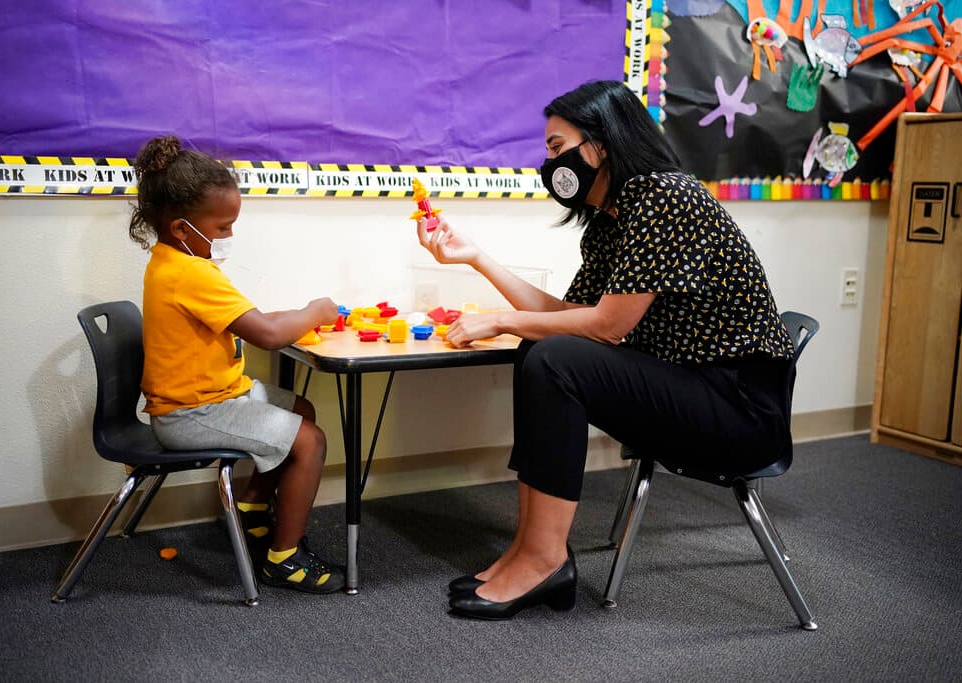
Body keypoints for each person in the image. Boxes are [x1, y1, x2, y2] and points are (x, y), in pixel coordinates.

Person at [415, 80, 796, 620]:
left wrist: (499, 318)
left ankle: (544, 558)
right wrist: (476, 259)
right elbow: (567, 315)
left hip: (737, 411)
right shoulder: (611, 221)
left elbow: (608, 327)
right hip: (686, 388)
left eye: (556, 147)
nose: (551, 164)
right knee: (540, 347)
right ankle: (531, 549)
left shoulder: (666, 197)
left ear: (600, 143)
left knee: (556, 357)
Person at [128, 135, 344, 594]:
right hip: (192, 414)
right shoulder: (192, 273)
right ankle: (283, 560)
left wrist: (298, 315)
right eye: (223, 227)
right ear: (184, 228)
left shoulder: (171, 261)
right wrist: (316, 312)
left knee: (300, 410)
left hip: (209, 397)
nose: (228, 236)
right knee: (310, 441)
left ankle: (248, 509)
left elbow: (255, 319)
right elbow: (265, 333)